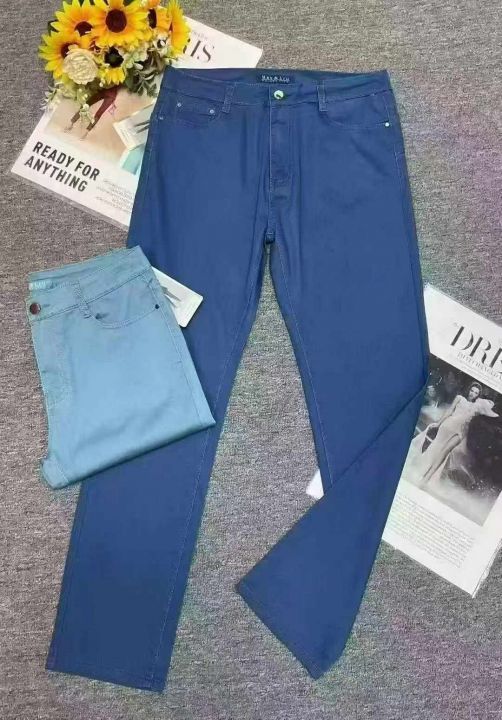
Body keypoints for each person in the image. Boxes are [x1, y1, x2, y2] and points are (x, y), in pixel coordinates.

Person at [413, 382, 498, 488]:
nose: (473, 393)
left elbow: (491, 408)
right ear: (469, 390)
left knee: (445, 452)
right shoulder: (460, 398)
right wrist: (438, 423)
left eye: (476, 393)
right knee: (436, 448)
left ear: (478, 395)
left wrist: (482, 402)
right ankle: (424, 473)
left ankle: (426, 479)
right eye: (472, 390)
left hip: (461, 432)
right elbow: (449, 411)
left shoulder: (477, 406)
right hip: (449, 425)